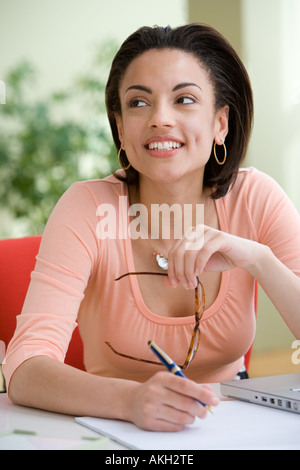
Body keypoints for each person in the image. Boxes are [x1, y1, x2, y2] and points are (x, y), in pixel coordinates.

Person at [3, 24, 300, 432]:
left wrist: (260, 259)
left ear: (220, 124)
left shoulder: (256, 197)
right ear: (121, 127)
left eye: (184, 99)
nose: (160, 118)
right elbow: (24, 367)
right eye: (139, 102)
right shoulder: (87, 207)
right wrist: (131, 400)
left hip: (235, 425)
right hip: (113, 429)